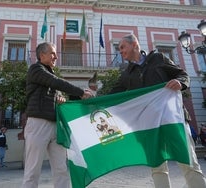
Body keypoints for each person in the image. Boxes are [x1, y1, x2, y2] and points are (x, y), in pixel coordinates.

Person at [109, 34, 206, 188]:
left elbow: (183, 74)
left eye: (122, 47)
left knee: (188, 162)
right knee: (158, 168)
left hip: (174, 121)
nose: (120, 51)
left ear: (134, 44)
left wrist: (180, 82)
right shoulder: (127, 73)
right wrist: (90, 101)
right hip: (149, 125)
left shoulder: (159, 58)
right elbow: (112, 95)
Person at [22, 42, 93, 188]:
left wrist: (61, 98)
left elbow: (56, 90)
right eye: (52, 53)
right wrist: (80, 92)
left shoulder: (49, 74)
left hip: (56, 126)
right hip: (38, 124)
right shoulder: (36, 69)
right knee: (32, 171)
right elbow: (55, 82)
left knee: (61, 169)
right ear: (42, 55)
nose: (56, 57)